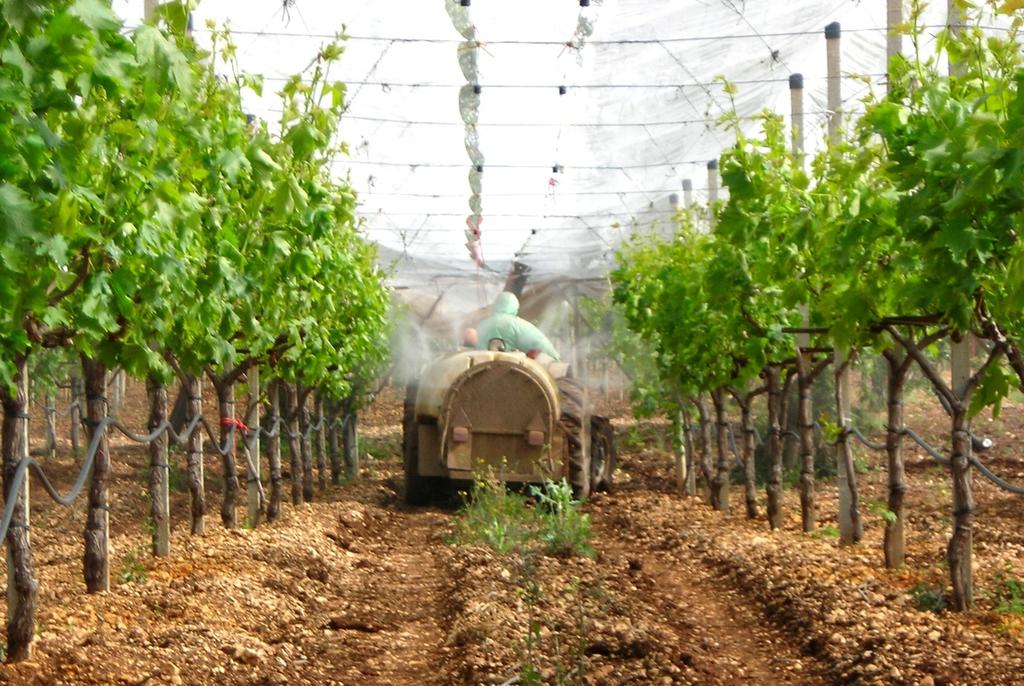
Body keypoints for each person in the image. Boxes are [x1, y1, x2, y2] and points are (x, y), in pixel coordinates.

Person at [475, 291, 560, 360]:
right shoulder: (519, 325)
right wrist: (556, 358)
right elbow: (541, 344)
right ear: (515, 309)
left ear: (495, 306)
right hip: (509, 374)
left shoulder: (481, 325)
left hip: (479, 372)